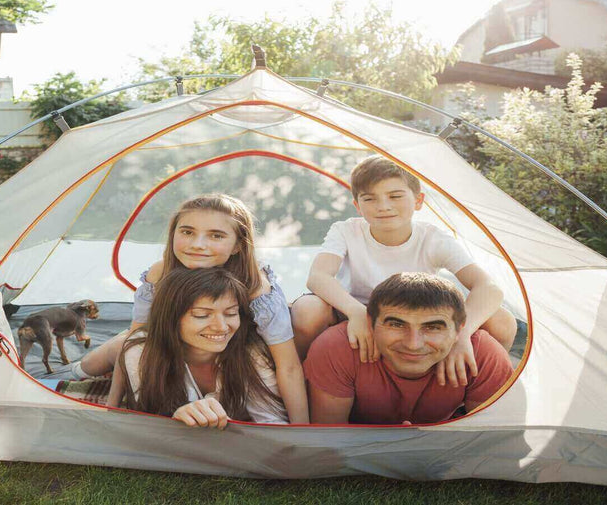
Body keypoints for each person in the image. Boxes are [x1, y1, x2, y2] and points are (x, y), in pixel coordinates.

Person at [78, 194, 308, 423]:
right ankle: (76, 370)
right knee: (113, 350)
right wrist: (114, 406)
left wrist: (302, 432)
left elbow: (288, 366)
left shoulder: (257, 288)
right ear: (173, 233)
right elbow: (135, 338)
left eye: (216, 236)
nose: (197, 245)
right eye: (187, 232)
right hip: (176, 346)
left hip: (230, 353)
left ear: (238, 245)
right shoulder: (159, 274)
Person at [291, 155, 517, 387]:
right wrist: (356, 312)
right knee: (307, 311)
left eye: (395, 196)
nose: (383, 206)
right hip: (355, 308)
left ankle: (476, 386)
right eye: (370, 199)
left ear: (418, 201)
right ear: (358, 206)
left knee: (502, 321)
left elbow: (489, 287)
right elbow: (318, 276)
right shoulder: (346, 231)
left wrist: (463, 333)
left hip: (413, 318)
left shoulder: (432, 238)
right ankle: (305, 383)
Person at [304, 272, 513, 425]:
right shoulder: (338, 348)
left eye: (432, 327)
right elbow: (329, 440)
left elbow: (491, 441)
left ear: (460, 329)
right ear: (370, 322)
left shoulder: (482, 354)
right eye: (396, 324)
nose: (413, 344)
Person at [116, 266, 287, 428]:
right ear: (171, 318)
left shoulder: (251, 353)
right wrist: (176, 417)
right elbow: (148, 423)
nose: (221, 327)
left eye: (231, 313)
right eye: (202, 315)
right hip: (140, 343)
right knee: (106, 355)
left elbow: (272, 423)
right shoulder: (142, 351)